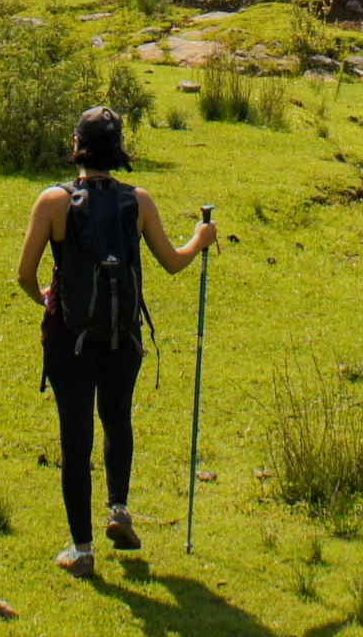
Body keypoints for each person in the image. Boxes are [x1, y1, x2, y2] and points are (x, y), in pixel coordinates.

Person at [16, 104, 217, 578]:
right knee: (117, 419)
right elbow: (172, 261)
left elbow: (25, 275)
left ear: (77, 147)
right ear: (118, 150)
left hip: (71, 339)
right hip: (123, 337)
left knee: (75, 437)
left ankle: (82, 550)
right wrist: (200, 238)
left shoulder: (53, 202)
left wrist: (47, 297)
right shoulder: (138, 202)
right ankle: (119, 510)